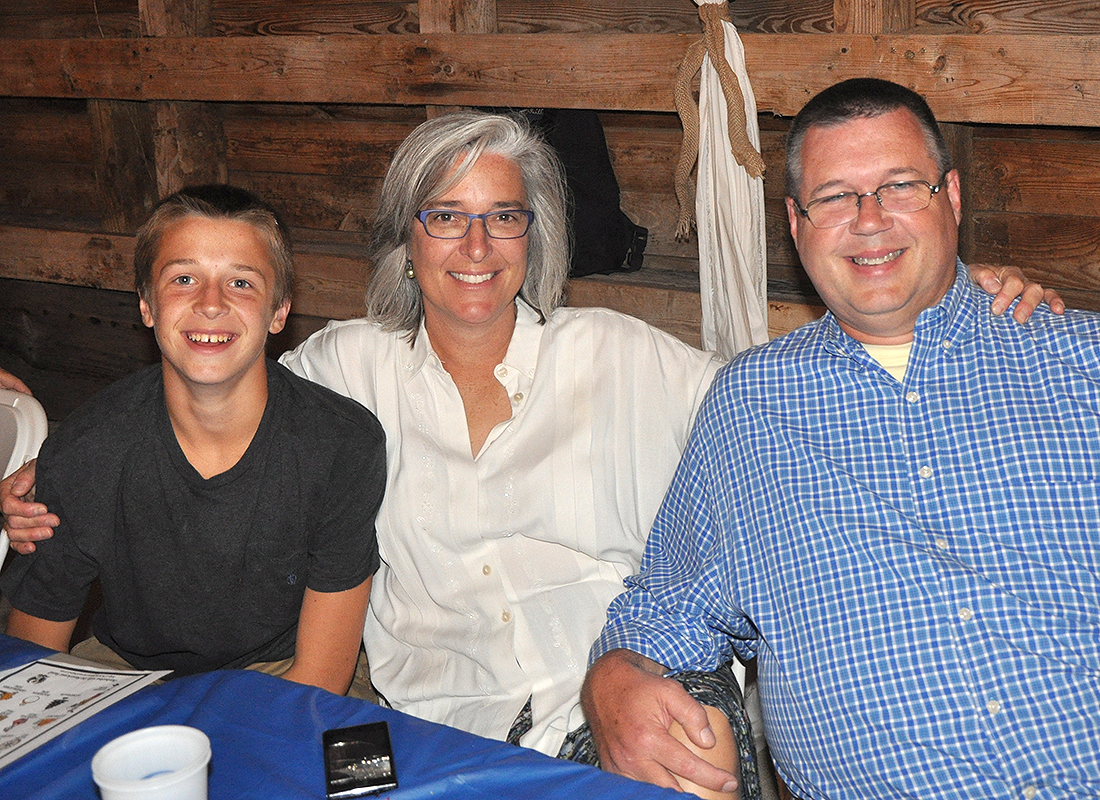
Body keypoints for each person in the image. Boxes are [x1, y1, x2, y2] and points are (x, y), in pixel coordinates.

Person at [0, 112, 1060, 789]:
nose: (473, 246)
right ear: (403, 243)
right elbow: (206, 368)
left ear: (535, 237)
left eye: (503, 217)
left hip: (624, 709)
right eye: (443, 216)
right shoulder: (337, 371)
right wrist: (45, 463)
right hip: (432, 733)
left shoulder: (623, 356)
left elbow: (811, 398)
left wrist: (965, 294)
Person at [581, 77, 1100, 800]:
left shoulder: (1082, 365)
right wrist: (610, 680)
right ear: (796, 226)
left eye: (899, 187)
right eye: (834, 197)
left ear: (950, 198)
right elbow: (668, 610)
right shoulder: (750, 407)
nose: (869, 220)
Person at [1, 186, 386, 697]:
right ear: (146, 304)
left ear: (279, 311)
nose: (210, 304)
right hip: (127, 673)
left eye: (241, 283)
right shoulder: (87, 451)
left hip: (285, 673)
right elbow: (34, 667)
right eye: (184, 279)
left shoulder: (341, 445)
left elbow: (321, 678)